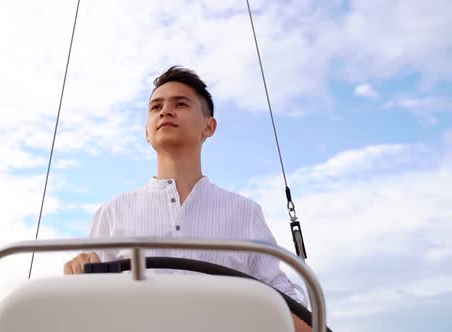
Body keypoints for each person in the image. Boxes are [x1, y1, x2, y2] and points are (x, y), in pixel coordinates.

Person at [63, 65, 311, 332]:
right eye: (155, 107)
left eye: (180, 104)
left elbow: (291, 306)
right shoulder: (112, 212)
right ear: (147, 132)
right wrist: (80, 270)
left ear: (209, 126)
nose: (165, 111)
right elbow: (90, 304)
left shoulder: (244, 212)